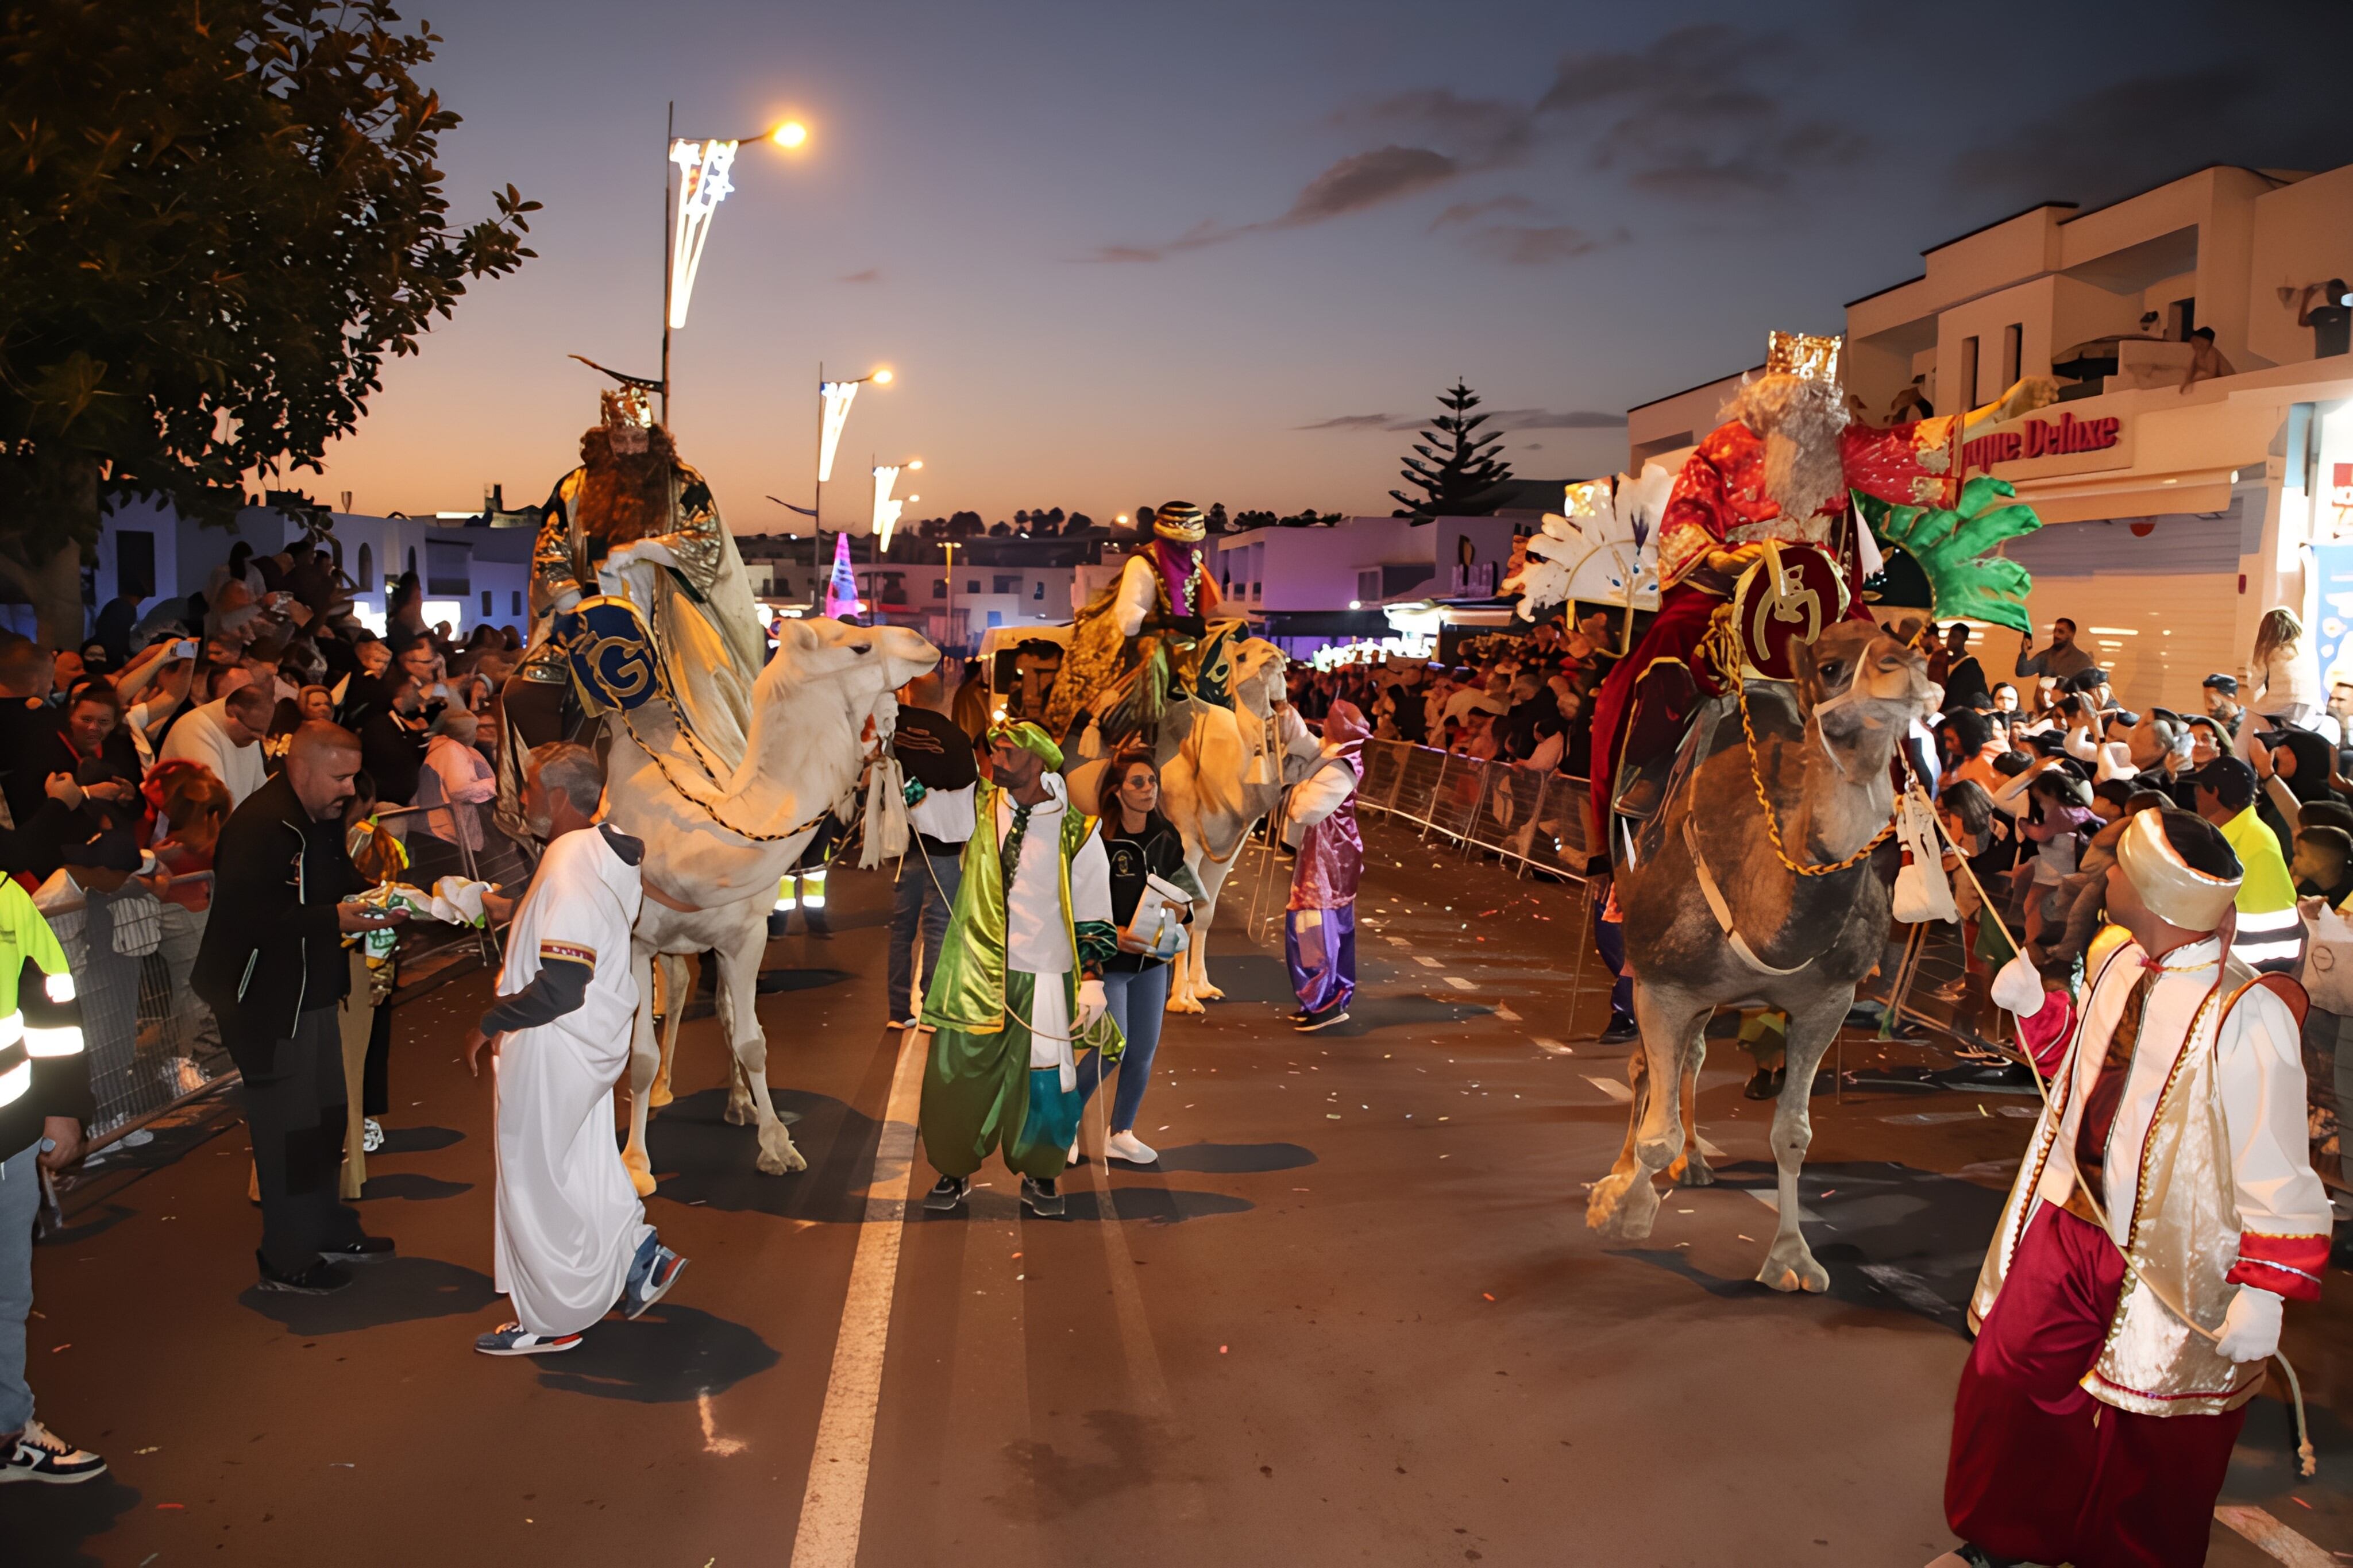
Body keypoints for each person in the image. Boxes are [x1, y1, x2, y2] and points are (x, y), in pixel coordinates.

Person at [1934, 808, 2329, 1568]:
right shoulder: (2117, 959)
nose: (2102, 869)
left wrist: (2268, 1288)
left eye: (2115, 863)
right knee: (2008, 1379)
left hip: (2177, 1262)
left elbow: (2278, 1162)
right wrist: (2036, 1010)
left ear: (2150, 894)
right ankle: (2009, 1539)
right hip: (2070, 1227)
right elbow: (2083, 1072)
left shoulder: (2247, 1014)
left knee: (2156, 1438)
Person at [1590, 329, 2056, 832]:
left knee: (1884, 668)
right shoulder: (1724, 448)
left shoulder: (1839, 446)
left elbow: (1909, 445)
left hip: (1821, 593)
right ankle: (1649, 774)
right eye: (1800, 399)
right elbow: (1686, 519)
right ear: (1771, 397)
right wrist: (1725, 556)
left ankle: (1907, 801)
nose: (1810, 412)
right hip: (1735, 586)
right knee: (1664, 648)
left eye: (1820, 400)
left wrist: (2001, 412)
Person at [461, 743, 684, 1356]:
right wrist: (496, 909)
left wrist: (488, 1022)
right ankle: (639, 1255)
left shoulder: (567, 865)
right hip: (588, 1046)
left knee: (537, 1183)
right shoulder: (594, 853)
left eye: (531, 790)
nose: (525, 800)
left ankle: (554, 1316)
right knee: (582, 1162)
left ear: (558, 797)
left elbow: (561, 983)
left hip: (556, 1044)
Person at [192, 723, 404, 1294]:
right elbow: (255, 919)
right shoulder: (261, 826)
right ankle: (286, 1257)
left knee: (325, 1118)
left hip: (308, 991)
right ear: (300, 768)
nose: (347, 788)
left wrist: (375, 897)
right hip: (264, 1000)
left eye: (353, 776)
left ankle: (327, 1227)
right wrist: (338, 916)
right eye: (338, 776)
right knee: (288, 1130)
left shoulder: (320, 820)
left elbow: (335, 883)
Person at [917, 721, 1116, 1219]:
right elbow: (934, 814)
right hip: (977, 972)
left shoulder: (1078, 829)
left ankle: (1042, 1174)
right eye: (994, 751)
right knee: (957, 1075)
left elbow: (1094, 907)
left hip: (1047, 974)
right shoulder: (980, 805)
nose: (996, 759)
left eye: (1008, 752)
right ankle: (953, 1169)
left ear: (1040, 760)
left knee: (1046, 1082)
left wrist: (1092, 980)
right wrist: (900, 785)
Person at [0, 869, 103, 1485]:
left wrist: (64, 1105)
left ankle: (10, 1432)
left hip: (8, 1139)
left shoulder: (7, 896)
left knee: (8, 1295)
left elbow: (51, 1000)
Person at [1072, 750, 1199, 1161]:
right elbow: (1078, 903)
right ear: (1116, 790)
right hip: (1111, 961)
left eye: (1153, 782)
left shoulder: (1167, 837)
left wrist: (1179, 912)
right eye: (1138, 782)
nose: (1149, 790)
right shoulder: (1096, 840)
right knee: (1114, 1048)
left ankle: (1121, 1132)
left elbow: (1187, 897)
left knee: (1143, 1050)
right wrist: (1114, 934)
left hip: (1154, 961)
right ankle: (1063, 1123)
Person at [1045, 500, 1221, 744]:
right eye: (1179, 540)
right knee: (1154, 658)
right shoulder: (1142, 564)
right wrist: (1170, 622)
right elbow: (1129, 619)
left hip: (1187, 636)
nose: (1185, 545)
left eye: (1190, 540)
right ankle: (1145, 732)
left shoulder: (1194, 563)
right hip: (1143, 638)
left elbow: (1206, 605)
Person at [888, 665, 978, 1028]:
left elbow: (894, 776)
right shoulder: (955, 739)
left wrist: (913, 797)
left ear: (908, 693)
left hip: (907, 846)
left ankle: (897, 1012)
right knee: (939, 926)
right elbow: (967, 788)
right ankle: (932, 1009)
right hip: (944, 847)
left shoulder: (892, 732)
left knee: (901, 929)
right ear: (943, 696)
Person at [1284, 701, 1368, 1033]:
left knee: (1315, 931)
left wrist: (1299, 789)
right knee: (1325, 929)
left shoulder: (1340, 766)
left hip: (1328, 861)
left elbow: (1306, 810)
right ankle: (1319, 998)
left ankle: (1325, 1000)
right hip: (1330, 856)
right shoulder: (1338, 758)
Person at [2192, 756, 2300, 974]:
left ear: (2214, 792)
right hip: (2244, 966)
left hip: (2250, 972)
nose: (2195, 795)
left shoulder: (2247, 842)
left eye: (2198, 788)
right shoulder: (2244, 834)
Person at [159, 685, 272, 808]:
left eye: (261, 733)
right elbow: (214, 804)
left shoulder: (250, 732)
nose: (258, 738)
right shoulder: (195, 728)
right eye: (253, 730)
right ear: (232, 712)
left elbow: (260, 792)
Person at [416, 706, 495, 853]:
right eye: (474, 730)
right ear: (464, 732)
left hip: (444, 830)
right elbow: (459, 789)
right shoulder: (451, 749)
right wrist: (490, 786)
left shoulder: (446, 748)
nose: (476, 735)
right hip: (447, 833)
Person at [2251, 607, 2318, 727]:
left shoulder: (2269, 648)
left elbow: (2255, 683)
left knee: (2249, 715)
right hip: (2310, 705)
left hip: (2282, 704)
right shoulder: (2305, 647)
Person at [2013, 617, 2095, 685]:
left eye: (2061, 632)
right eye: (2055, 631)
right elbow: (2023, 671)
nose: (2056, 635)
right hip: (2046, 702)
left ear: (2071, 635)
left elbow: (2093, 681)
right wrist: (2025, 649)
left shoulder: (2082, 659)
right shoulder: (2045, 657)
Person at [2297, 279, 2351, 359]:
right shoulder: (2321, 312)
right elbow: (2303, 321)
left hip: (2343, 361)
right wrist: (2307, 297)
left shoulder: (2348, 312)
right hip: (2323, 361)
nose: (2330, 294)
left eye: (2335, 292)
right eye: (2329, 292)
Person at [2201, 672, 2245, 739]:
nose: (2208, 706)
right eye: (2206, 701)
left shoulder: (2248, 725)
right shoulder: (2209, 728)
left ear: (2231, 698)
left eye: (2213, 701)